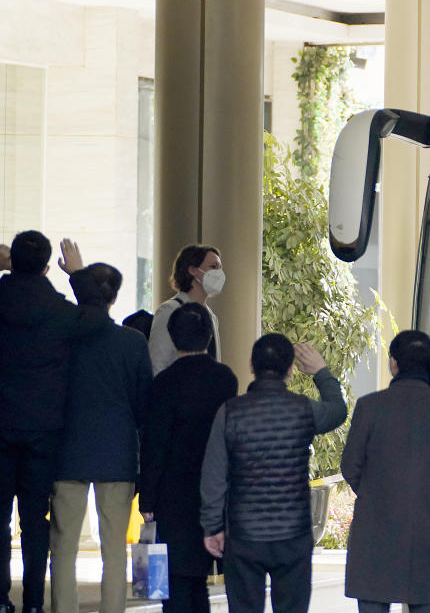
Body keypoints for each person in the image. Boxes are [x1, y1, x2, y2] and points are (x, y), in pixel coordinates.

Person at [0, 232, 109, 613]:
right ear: (49, 267)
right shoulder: (59, 311)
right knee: (34, 520)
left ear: (10, 261)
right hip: (44, 428)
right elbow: (97, 316)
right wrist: (78, 274)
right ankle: (32, 603)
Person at [199, 334, 346, 613]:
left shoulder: (230, 412)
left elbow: (214, 475)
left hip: (243, 535)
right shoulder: (304, 410)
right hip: (293, 535)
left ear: (251, 366)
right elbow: (338, 411)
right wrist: (321, 372)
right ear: (291, 369)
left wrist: (212, 525)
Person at [49, 263, 153, 613]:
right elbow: (143, 405)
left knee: (63, 548)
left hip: (68, 451)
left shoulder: (64, 338)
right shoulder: (133, 342)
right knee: (113, 551)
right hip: (117, 453)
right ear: (115, 296)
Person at [340, 330, 430, 613]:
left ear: (393, 363)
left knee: (372, 600)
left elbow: (350, 466)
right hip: (428, 531)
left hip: (375, 527)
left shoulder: (369, 406)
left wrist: (376, 491)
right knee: (424, 602)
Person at [139, 303, 238, 613]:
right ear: (209, 336)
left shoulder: (164, 383)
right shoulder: (225, 379)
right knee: (201, 575)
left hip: (173, 490)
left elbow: (155, 444)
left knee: (178, 580)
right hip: (216, 488)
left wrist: (147, 499)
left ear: (172, 336)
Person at [148, 245, 224, 375]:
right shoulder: (169, 310)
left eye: (220, 268)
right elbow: (157, 363)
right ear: (193, 270)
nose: (219, 273)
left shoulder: (211, 316)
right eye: (213, 267)